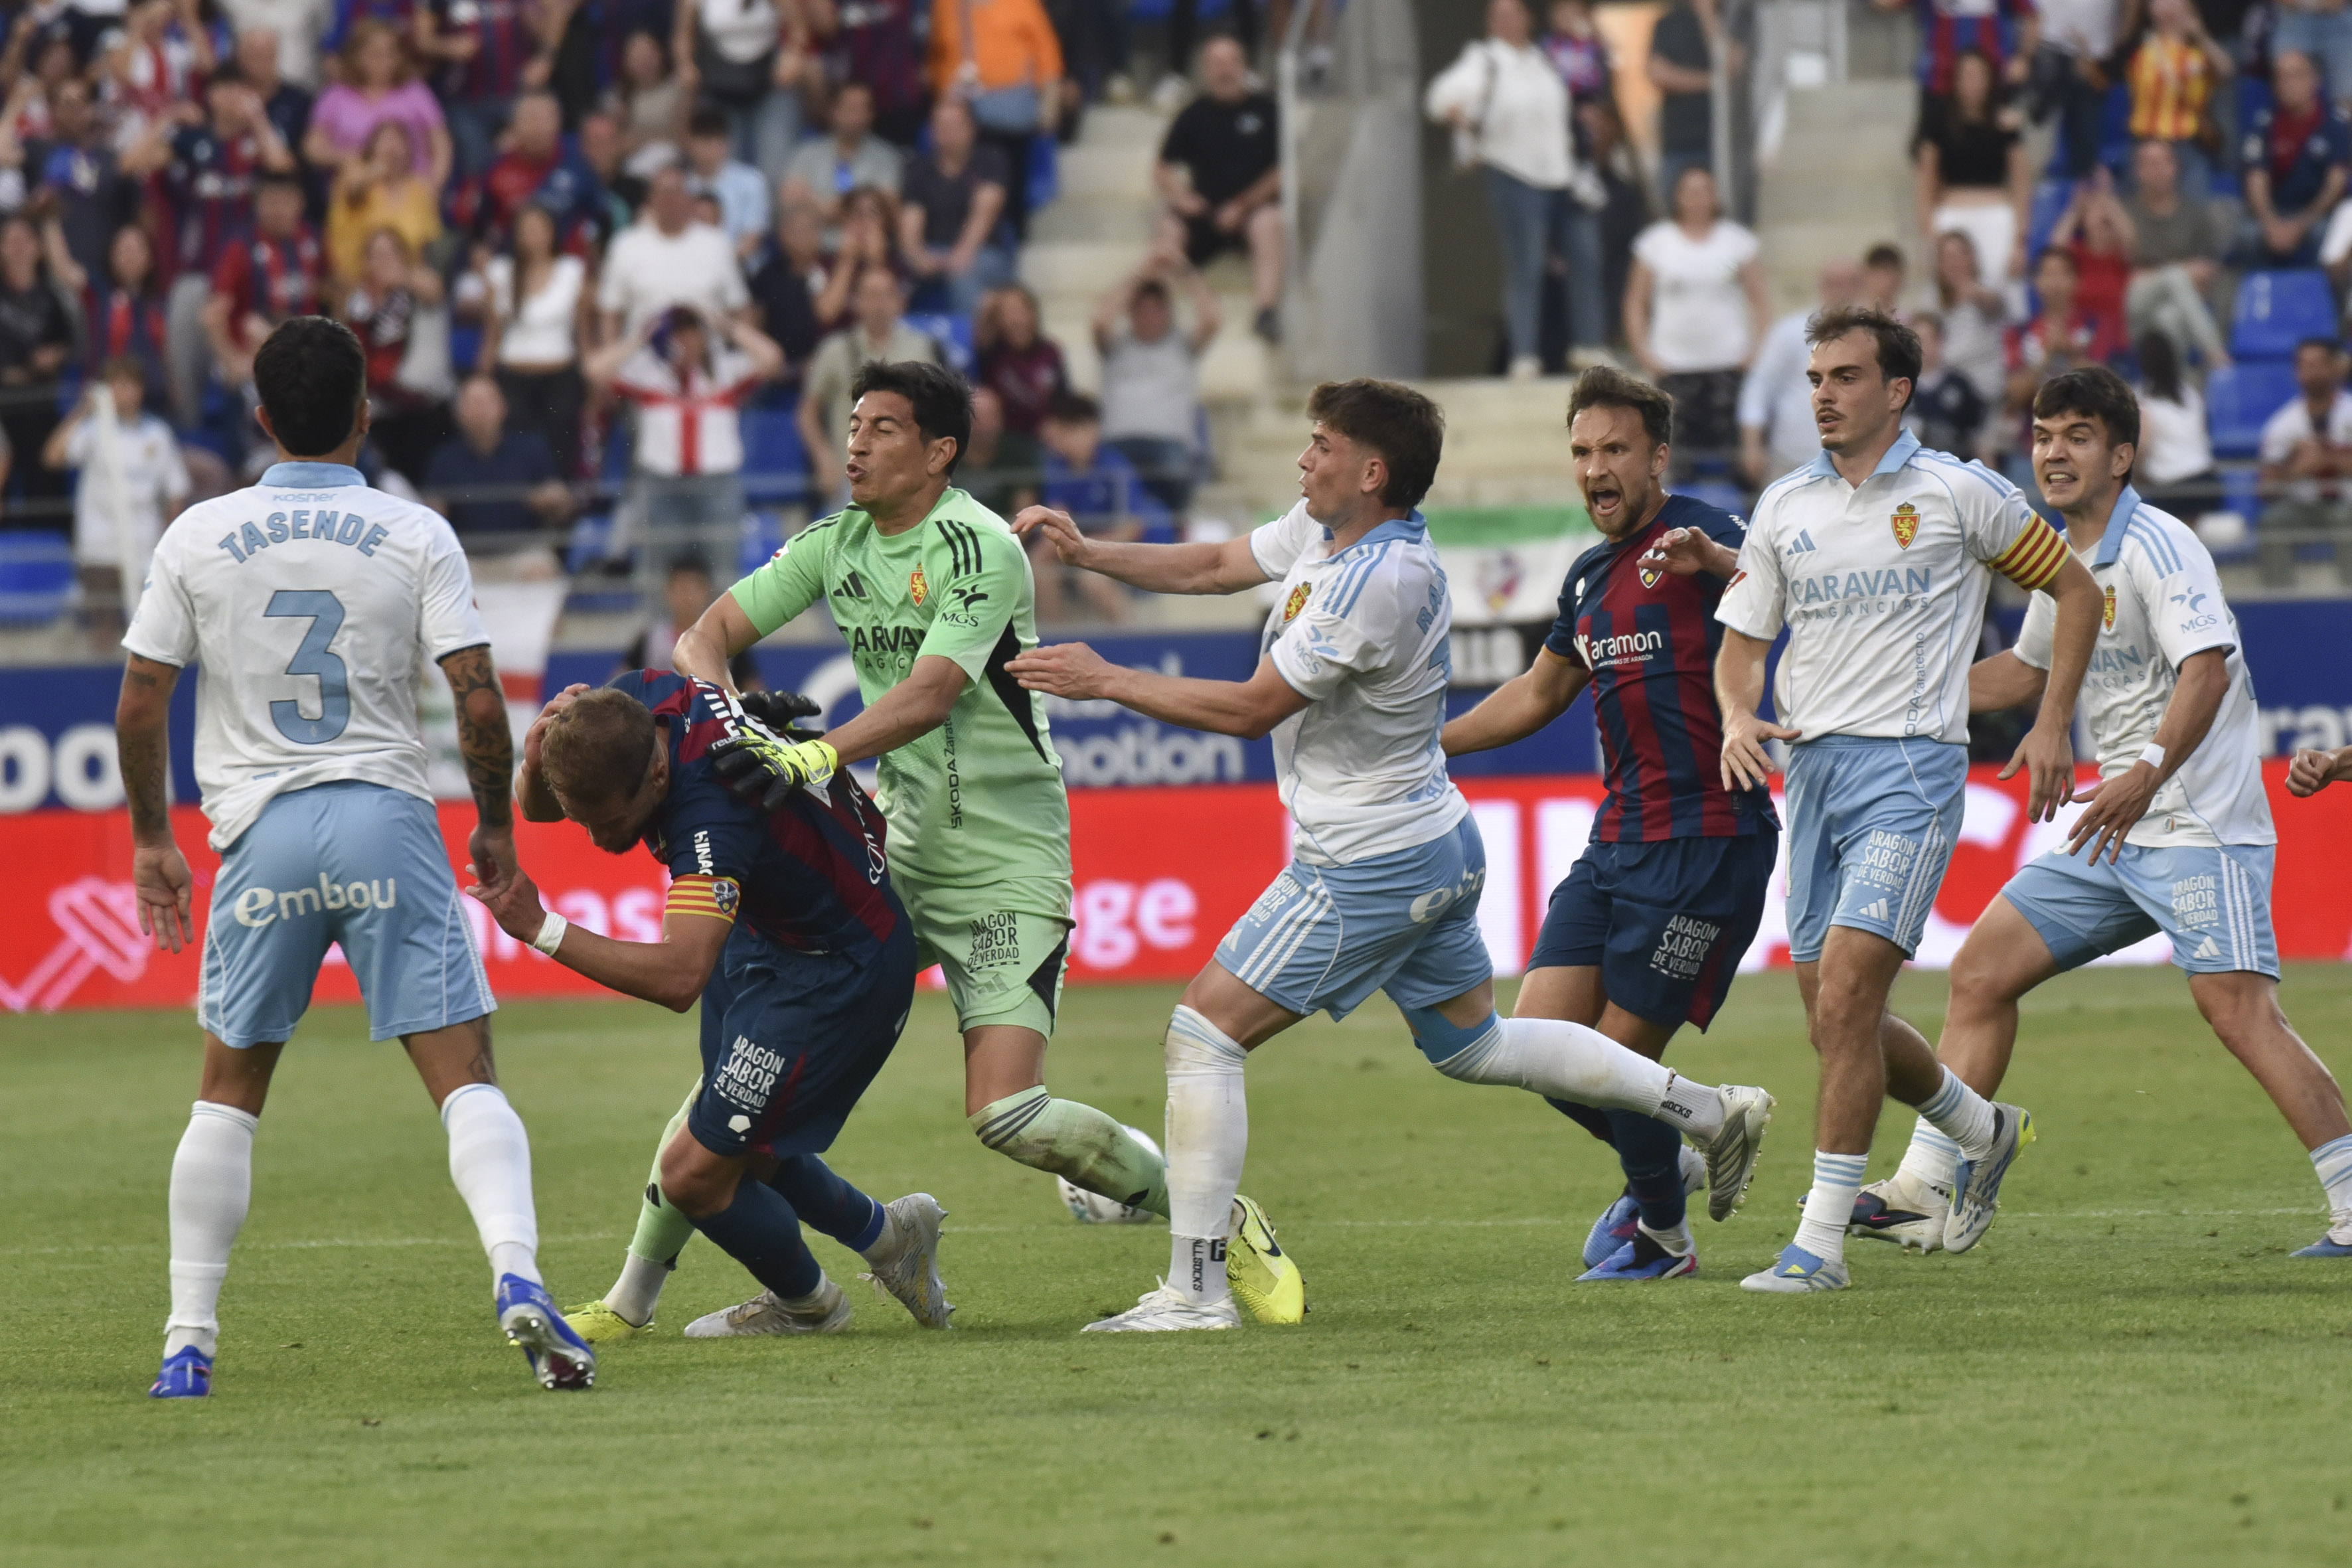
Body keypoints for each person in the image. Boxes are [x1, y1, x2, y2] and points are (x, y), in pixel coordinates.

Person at [1005, 380, 1775, 1330]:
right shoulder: (1324, 535)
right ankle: (1704, 1110)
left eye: (1320, 443)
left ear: (1370, 472)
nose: (1303, 457)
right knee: (1476, 1044)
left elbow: (1253, 709)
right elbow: (1212, 565)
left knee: (1201, 1034)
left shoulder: (1382, 579)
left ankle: (1195, 1292)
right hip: (1426, 840)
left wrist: (1107, 678)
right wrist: (1093, 554)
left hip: (1366, 860)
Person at [562, 360, 1178, 1340]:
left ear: (938, 453)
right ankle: (636, 1297)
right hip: (898, 847)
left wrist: (809, 750)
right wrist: (728, 712)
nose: (855, 442)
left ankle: (1197, 1211)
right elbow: (703, 636)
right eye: (853, 423)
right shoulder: (835, 542)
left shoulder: (979, 548)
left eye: (883, 427)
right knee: (726, 1093)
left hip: (1003, 859)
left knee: (1006, 1114)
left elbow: (932, 690)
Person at [116, 315, 595, 1399]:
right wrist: (495, 827)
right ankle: (519, 1277)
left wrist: (153, 837)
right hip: (385, 815)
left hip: (262, 833)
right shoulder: (414, 531)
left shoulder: (196, 534)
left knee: (227, 1094)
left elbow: (142, 699)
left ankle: (187, 1339)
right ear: (365, 413)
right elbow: (476, 693)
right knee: (464, 1076)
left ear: (259, 417)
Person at [1857, 366, 2352, 1265]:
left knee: (2238, 1013)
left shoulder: (2162, 547)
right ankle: (1927, 1185)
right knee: (1977, 974)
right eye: (2044, 435)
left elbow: (2204, 668)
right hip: (2111, 831)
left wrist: (2145, 773)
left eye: (2076, 435)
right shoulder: (2061, 557)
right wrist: (1892, 697)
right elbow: (2019, 673)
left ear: (2120, 455)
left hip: (2197, 822)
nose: (2053, 450)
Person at [1711, 305, 2101, 1292]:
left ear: (1896, 390)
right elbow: (1742, 645)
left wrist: (2051, 722)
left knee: (1846, 997)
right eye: (1812, 379)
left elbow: (2078, 591)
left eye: (1843, 377)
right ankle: (1981, 1125)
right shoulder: (1782, 507)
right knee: (1829, 1017)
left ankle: (1818, 1245)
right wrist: (1732, 712)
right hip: (1814, 777)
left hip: (1912, 771)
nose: (1821, 396)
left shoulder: (1954, 493)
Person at [476, 672, 953, 1338]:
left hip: (837, 972)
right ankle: (887, 1235)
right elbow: (543, 806)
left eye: (608, 820)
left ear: (657, 780)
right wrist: (537, 760)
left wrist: (541, 929)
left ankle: (810, 1307)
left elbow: (679, 976)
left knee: (692, 1173)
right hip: (774, 939)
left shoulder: (715, 809)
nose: (595, 838)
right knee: (745, 1149)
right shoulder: (632, 707)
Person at [1442, 367, 1780, 1281]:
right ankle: (1686, 1137)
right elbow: (1535, 692)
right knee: (1538, 1050)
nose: (1596, 468)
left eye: (1615, 449)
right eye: (1582, 451)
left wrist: (1716, 566)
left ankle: (1663, 1237)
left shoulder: (1706, 531)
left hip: (1708, 838)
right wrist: (1427, 746)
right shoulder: (1590, 575)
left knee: (1616, 1060)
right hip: (1614, 843)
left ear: (1656, 456)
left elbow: (1791, 588)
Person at [1425, 0, 1597, 378]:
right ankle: (1524, 353)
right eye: (1497, 15)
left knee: (1584, 257)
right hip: (1514, 173)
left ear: (1527, 19)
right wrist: (1456, 110)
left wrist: (1581, 35)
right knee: (1526, 265)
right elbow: (1441, 97)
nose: (1505, 21)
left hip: (1562, 174)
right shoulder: (1482, 58)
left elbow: (1589, 80)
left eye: (1513, 13)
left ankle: (1589, 345)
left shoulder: (1546, 58)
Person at [142, 62, 301, 424]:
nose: (232, 98)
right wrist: (166, 119)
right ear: (210, 96)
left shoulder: (256, 142)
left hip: (250, 278)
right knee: (186, 361)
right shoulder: (194, 141)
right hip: (199, 273)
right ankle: (190, 429)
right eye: (224, 89)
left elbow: (284, 168)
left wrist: (258, 119)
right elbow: (134, 162)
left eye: (239, 89)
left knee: (252, 366)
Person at [589, 302, 783, 588]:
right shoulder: (647, 375)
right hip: (662, 486)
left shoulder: (726, 373)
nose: (685, 341)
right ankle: (660, 633)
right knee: (657, 573)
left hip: (717, 486)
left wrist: (728, 327)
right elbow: (595, 369)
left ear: (703, 336)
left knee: (724, 574)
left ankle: (723, 634)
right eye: (677, 333)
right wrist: (639, 339)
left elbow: (772, 358)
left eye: (692, 332)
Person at [40, 354, 190, 643]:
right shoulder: (92, 430)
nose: (123, 392)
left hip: (144, 546)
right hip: (99, 546)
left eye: (129, 385)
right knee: (103, 630)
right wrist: (84, 410)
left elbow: (176, 491)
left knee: (148, 631)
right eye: (115, 385)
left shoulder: (158, 434)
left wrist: (167, 543)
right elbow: (53, 457)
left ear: (141, 389)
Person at [1624, 164, 1767, 457]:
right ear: (1677, 197)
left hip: (1728, 364)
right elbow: (1636, 301)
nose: (1698, 199)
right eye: (1690, 192)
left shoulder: (1737, 242)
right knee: (1676, 454)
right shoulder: (1656, 243)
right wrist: (1645, 355)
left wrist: (1755, 352)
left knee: (1728, 454)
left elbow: (1760, 298)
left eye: (1705, 191)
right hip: (1673, 365)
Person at [1153, 35, 1281, 343]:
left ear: (1244, 67)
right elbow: (1162, 167)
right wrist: (1181, 198)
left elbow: (1282, 171)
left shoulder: (1267, 110)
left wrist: (1244, 204)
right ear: (1206, 70)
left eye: (1231, 62)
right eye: (1216, 63)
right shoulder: (1193, 115)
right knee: (1167, 227)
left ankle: (1266, 312)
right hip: (1205, 212)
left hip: (1251, 211)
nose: (1224, 71)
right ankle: (1158, 316)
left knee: (1270, 222)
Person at [1095, 244, 1217, 518]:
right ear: (1130, 314)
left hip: (1169, 446)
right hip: (1118, 444)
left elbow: (1212, 318)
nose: (1149, 317)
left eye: (1157, 310)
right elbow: (1101, 319)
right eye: (1142, 310)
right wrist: (1141, 271)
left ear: (1169, 313)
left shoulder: (1182, 346)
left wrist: (1183, 270)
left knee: (1176, 471)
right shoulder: (1116, 348)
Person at [799, 266, 941, 497]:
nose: (879, 304)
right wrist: (823, 458)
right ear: (856, 302)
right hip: (851, 476)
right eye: (871, 295)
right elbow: (808, 412)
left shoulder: (921, 349)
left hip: (906, 477)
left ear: (900, 301)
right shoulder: (835, 349)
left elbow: (937, 411)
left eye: (887, 295)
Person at [925, 0, 1061, 240]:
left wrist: (1049, 104)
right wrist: (941, 100)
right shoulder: (944, 5)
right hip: (959, 110)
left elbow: (1046, 49)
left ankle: (1011, 243)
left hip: (1010, 111)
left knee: (1009, 183)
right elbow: (937, 51)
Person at [1030, 388, 1167, 621]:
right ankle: (1057, 642)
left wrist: (1086, 548)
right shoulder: (1057, 468)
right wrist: (1038, 557)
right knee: (1037, 567)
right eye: (1064, 431)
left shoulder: (1115, 468)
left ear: (1091, 429)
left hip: (1136, 546)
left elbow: (1132, 528)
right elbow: (1057, 517)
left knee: (1092, 579)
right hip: (1088, 546)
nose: (1066, 439)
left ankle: (1130, 640)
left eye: (1073, 431)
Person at [482, 200, 589, 476]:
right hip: (514, 378)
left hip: (560, 377)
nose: (533, 237)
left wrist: (590, 384)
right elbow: (492, 337)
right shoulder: (500, 273)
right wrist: (483, 378)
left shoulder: (572, 271)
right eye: (526, 230)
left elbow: (583, 335)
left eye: (540, 229)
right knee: (518, 453)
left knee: (561, 451)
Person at [340, 225, 453, 485]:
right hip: (381, 412)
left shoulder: (420, 284)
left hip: (426, 409)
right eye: (376, 255)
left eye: (390, 254)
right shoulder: (359, 303)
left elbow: (433, 289)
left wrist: (400, 277)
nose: (383, 262)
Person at [202, 171, 326, 398]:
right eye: (270, 202)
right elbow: (213, 316)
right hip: (254, 360)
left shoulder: (312, 240)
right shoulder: (240, 248)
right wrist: (233, 362)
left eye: (285, 202)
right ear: (257, 205)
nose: (278, 211)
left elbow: (336, 293)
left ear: (300, 203)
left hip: (304, 359)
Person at [1738, 256, 1859, 485]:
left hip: (1855, 461)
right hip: (1792, 460)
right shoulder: (1790, 332)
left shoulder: (1873, 339)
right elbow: (1759, 388)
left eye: (1849, 283)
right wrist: (1752, 446)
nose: (1842, 292)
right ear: (1822, 287)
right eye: (1835, 284)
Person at [1913, 48, 2029, 286]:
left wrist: (2020, 241)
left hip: (1997, 216)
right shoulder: (1937, 124)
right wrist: (1929, 236)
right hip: (1952, 215)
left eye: (1979, 75)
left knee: (1997, 287)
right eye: (1966, 75)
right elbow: (1925, 184)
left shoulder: (2006, 124)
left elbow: (2021, 184)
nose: (1973, 83)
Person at [596, 161, 751, 340]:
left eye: (676, 191)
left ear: (689, 198)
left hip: (707, 359)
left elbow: (739, 308)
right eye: (663, 192)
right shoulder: (625, 245)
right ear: (650, 199)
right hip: (643, 360)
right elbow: (610, 312)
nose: (669, 199)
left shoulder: (717, 244)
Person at [422, 372, 572, 548]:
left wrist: (553, 500)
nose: (480, 411)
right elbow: (431, 515)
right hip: (467, 555)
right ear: (457, 413)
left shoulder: (531, 448)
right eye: (472, 403)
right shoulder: (443, 459)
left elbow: (563, 507)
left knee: (542, 571)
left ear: (504, 407)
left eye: (486, 402)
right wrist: (435, 512)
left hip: (524, 552)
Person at [898, 94, 1010, 318]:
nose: (946, 132)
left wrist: (962, 254)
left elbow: (985, 211)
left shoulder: (990, 160)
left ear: (971, 129)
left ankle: (967, 342)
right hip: (934, 250)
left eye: (954, 125)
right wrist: (919, 257)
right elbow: (910, 225)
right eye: (940, 125)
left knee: (962, 274)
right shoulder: (918, 168)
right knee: (890, 273)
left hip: (983, 251)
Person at [303, 20, 453, 189]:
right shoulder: (336, 95)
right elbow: (313, 146)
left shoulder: (416, 92)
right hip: (355, 195)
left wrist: (432, 187)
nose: (384, 62)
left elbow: (441, 145)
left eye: (390, 54)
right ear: (356, 56)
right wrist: (344, 158)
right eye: (375, 54)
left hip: (410, 194)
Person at [675, 0, 807, 187]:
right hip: (719, 87)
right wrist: (685, 64)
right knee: (724, 173)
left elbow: (798, 30)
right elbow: (683, 36)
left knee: (774, 172)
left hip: (768, 84)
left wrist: (793, 55)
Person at [2255, 337, 2352, 587]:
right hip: (2302, 506)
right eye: (2305, 366)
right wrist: (2298, 469)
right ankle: (2279, 601)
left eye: (2318, 364)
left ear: (2334, 367)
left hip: (2347, 504)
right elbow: (2265, 489)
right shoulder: (2283, 424)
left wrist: (2331, 458)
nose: (2312, 373)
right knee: (2272, 522)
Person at [2122, 137, 2227, 368]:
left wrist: (2154, 273)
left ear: (2175, 168)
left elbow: (2204, 276)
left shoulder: (2195, 216)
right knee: (2175, 276)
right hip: (2135, 306)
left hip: (2177, 308)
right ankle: (2217, 356)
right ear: (2138, 171)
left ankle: (2166, 387)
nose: (2156, 171)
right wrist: (2182, 270)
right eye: (2149, 164)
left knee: (2169, 319)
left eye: (2162, 163)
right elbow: (2124, 273)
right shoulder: (2126, 213)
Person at [2240, 49, 2349, 267]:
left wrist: (2303, 224)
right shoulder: (2264, 125)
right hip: (2275, 213)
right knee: (2245, 236)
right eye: (2281, 77)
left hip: (2318, 215)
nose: (2288, 83)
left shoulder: (2335, 125)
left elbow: (2336, 183)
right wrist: (2271, 223)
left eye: (2295, 75)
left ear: (2314, 81)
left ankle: (2330, 300)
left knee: (2334, 239)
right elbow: (2256, 178)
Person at [0, 210, 75, 516]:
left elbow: (70, 344)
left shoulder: (53, 298)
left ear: (38, 247)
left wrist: (55, 356)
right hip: (2, 400)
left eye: (25, 240)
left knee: (43, 472)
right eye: (10, 240)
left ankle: (49, 538)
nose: (18, 247)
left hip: (39, 400)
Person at [2125, 0, 2233, 197]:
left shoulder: (2199, 54)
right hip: (2146, 142)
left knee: (2193, 210)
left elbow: (2227, 72)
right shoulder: (2139, 47)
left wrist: (2199, 34)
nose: (2168, 6)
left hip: (2187, 146)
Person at [620, 550, 762, 683]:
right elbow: (619, 690)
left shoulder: (728, 641)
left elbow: (751, 689)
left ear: (708, 591)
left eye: (695, 588)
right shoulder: (650, 640)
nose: (688, 597)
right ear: (668, 592)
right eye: (682, 588)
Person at [327, 119, 442, 285]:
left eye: (398, 140)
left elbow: (427, 245)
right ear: (372, 146)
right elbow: (352, 193)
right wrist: (374, 172)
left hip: (406, 279)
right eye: (385, 140)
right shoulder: (355, 173)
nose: (392, 146)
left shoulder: (419, 190)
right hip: (358, 277)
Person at [781, 80, 904, 233]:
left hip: (864, 241)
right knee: (797, 222)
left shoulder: (887, 157)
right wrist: (855, 210)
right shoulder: (807, 153)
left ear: (871, 115)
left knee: (873, 230)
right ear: (834, 111)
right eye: (849, 109)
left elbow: (888, 208)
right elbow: (790, 199)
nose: (854, 118)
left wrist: (817, 205)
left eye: (860, 110)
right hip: (815, 240)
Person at [1645, 0, 1731, 207]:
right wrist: (1713, 82)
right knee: (1674, 210)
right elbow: (1658, 73)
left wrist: (1708, 17)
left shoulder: (1732, 21)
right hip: (1678, 142)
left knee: (1722, 211)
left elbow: (1731, 66)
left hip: (1722, 144)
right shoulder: (1668, 24)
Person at [2132, 330, 2216, 517]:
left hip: (2173, 489)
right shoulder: (2190, 394)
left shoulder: (2142, 399)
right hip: (2208, 481)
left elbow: (2141, 449)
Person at [746, 198, 825, 384]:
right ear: (781, 235)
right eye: (794, 232)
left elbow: (827, 315)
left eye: (808, 230)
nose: (801, 238)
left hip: (821, 368)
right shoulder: (766, 276)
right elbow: (755, 326)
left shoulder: (831, 268)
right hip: (776, 370)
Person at [974, 281, 1063, 441]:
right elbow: (981, 336)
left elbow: (1063, 400)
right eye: (1007, 313)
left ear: (1033, 313)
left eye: (1020, 310)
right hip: (1002, 440)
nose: (1016, 320)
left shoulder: (1050, 353)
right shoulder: (993, 353)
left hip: (1044, 440)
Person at [1931, 228, 2007, 409]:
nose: (1954, 264)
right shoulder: (1931, 302)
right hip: (1947, 393)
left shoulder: (1987, 293)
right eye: (1947, 258)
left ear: (1972, 259)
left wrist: (1972, 291)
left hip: (1986, 392)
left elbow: (1994, 305)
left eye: (1960, 256)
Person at [684, 102, 771, 262]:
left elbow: (752, 238)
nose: (709, 148)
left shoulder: (752, 181)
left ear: (727, 143)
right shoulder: (681, 185)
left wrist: (721, 267)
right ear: (690, 143)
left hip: (738, 269)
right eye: (703, 141)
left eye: (716, 141)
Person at [1907, 311, 1992, 459]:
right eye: (1915, 340)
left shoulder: (1959, 385)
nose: (1920, 347)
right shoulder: (1900, 386)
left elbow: (1976, 437)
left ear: (1940, 341)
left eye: (1926, 340)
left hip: (1955, 467)